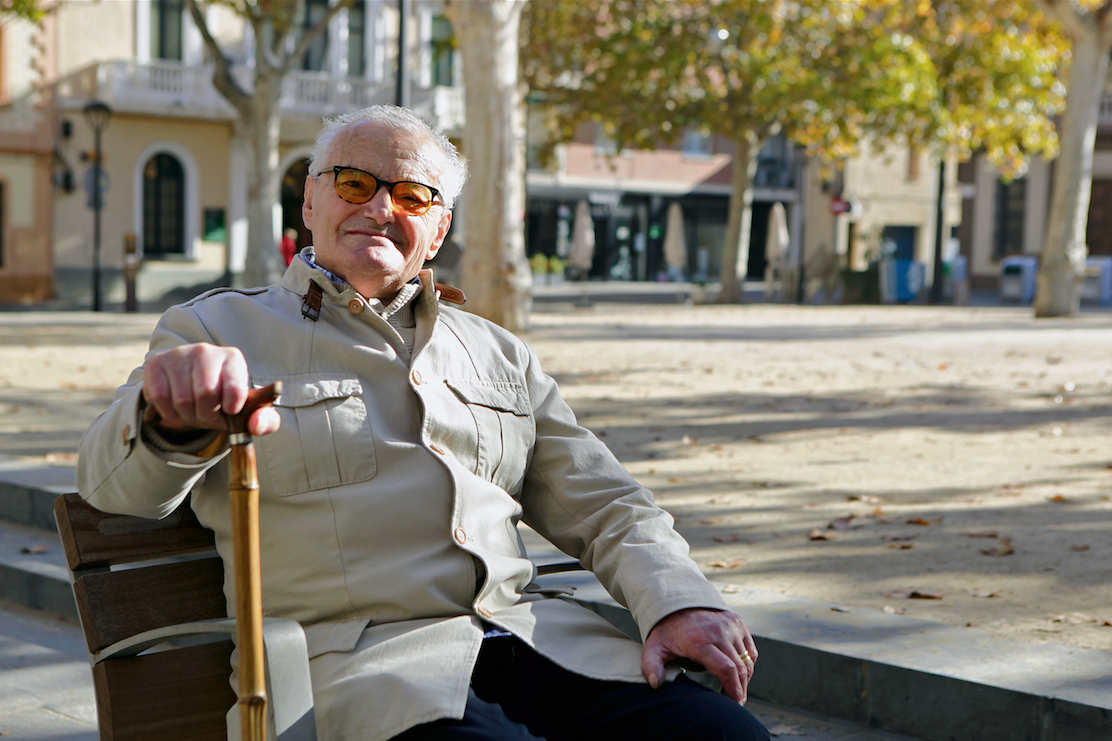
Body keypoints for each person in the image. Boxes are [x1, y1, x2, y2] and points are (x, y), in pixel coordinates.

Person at [77, 105, 769, 741]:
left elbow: (607, 503)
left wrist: (678, 602)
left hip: (543, 645)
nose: (380, 207)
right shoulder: (217, 328)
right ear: (310, 200)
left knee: (724, 736)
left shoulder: (499, 351)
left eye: (412, 196)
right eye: (354, 183)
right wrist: (169, 418)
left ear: (437, 231)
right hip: (360, 673)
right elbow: (113, 488)